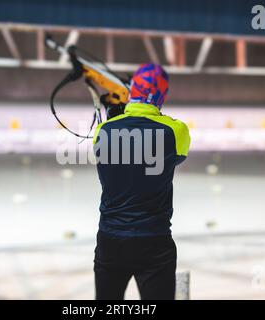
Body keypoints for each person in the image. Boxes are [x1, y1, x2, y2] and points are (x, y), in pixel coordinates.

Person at [92, 63, 191, 300]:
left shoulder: (103, 131)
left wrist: (116, 114)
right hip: (154, 241)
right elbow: (178, 155)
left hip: (111, 239)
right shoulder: (175, 132)